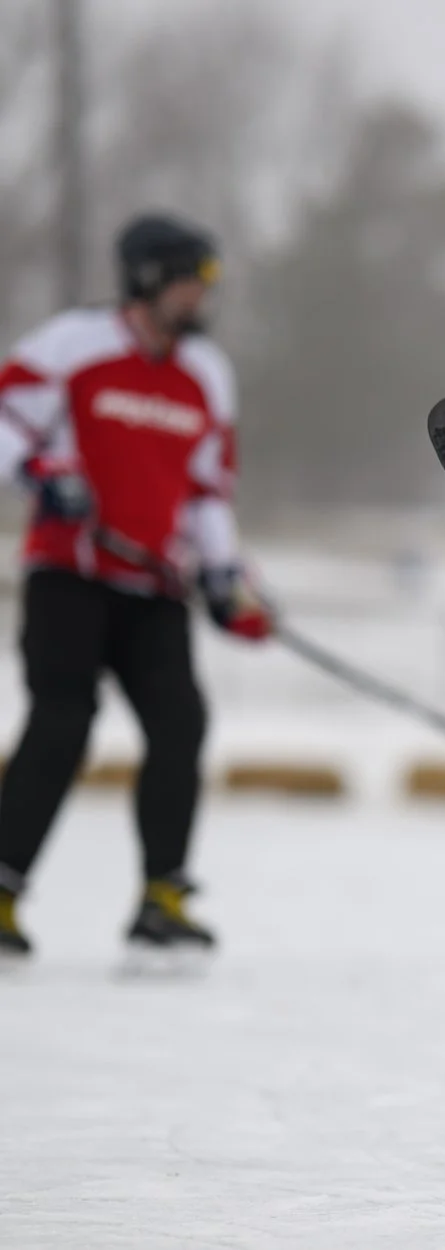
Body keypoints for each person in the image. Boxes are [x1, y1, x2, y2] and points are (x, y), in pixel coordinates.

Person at [0, 213, 273, 966]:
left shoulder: (207, 374)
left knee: (180, 724)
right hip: (70, 575)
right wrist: (42, 475)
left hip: (153, 585)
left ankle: (163, 896)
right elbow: (8, 424)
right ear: (149, 277)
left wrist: (226, 578)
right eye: (191, 278)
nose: (201, 296)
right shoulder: (71, 345)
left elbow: (207, 490)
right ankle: (3, 889)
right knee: (62, 724)